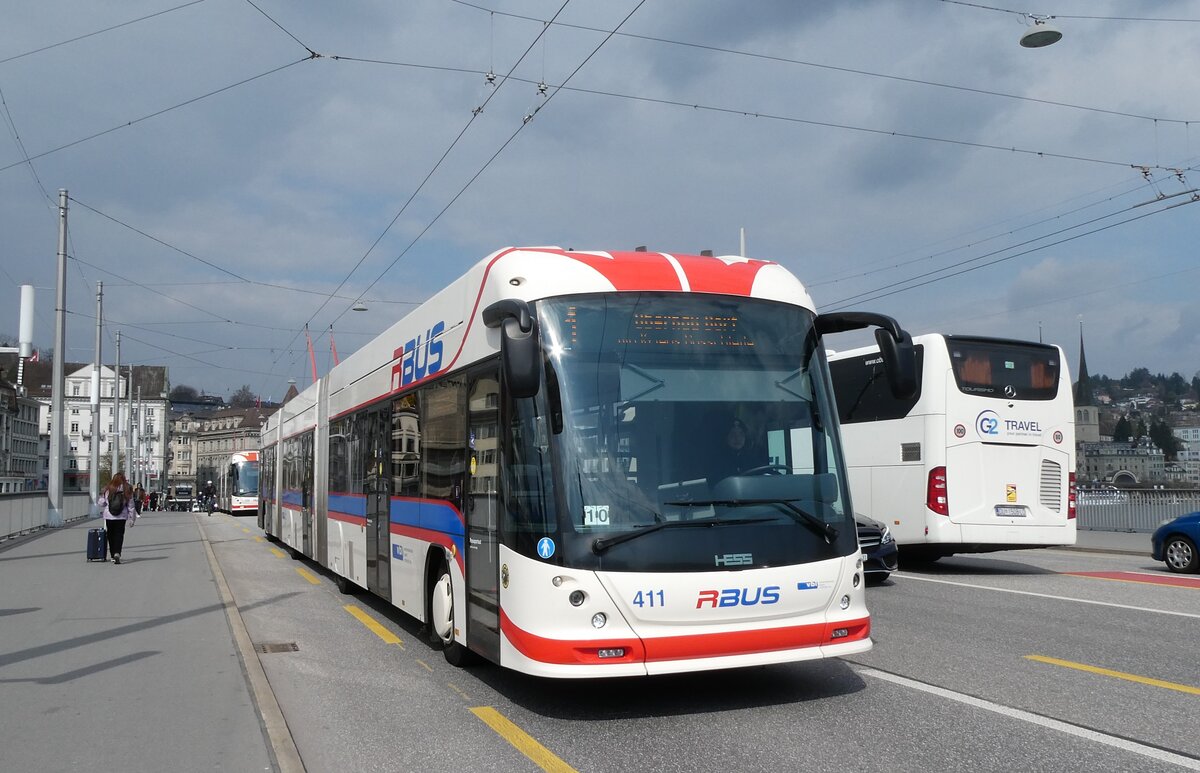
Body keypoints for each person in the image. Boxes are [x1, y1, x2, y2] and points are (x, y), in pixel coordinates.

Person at [98, 472, 137, 564]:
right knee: (119, 535)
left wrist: (103, 498)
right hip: (121, 516)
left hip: (109, 516)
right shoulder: (127, 489)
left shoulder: (108, 489)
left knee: (110, 535)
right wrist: (132, 519)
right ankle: (117, 552)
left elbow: (101, 503)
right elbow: (131, 506)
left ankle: (112, 555)